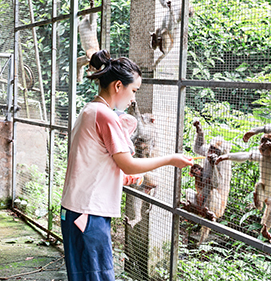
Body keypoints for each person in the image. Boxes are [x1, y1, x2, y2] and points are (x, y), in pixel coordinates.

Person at [60, 49, 193, 281]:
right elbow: (128, 164)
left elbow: (92, 164)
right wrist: (171, 159)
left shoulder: (89, 110)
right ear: (118, 86)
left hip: (75, 209)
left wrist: (118, 178)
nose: (133, 99)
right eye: (134, 91)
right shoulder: (106, 115)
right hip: (89, 213)